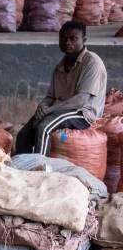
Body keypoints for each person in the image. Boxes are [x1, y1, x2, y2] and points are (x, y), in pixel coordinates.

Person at [15, 20, 108, 156]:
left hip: (82, 113)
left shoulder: (92, 62)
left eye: (73, 38)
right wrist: (42, 107)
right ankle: (22, 169)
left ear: (84, 40)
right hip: (59, 110)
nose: (67, 42)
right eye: (63, 38)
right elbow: (51, 97)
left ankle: (40, 170)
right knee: (24, 134)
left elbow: (81, 100)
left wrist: (50, 109)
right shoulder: (60, 66)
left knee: (44, 127)